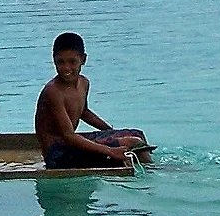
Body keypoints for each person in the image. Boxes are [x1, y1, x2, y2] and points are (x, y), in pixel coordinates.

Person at [34, 31, 151, 169]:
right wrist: (110, 150)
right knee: (133, 141)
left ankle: (149, 168)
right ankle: (153, 172)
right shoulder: (53, 92)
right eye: (61, 62)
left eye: (72, 62)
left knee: (136, 134)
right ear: (54, 60)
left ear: (83, 59)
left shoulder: (84, 83)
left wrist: (110, 131)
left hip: (70, 145)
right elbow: (68, 136)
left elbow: (83, 112)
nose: (66, 68)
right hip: (58, 154)